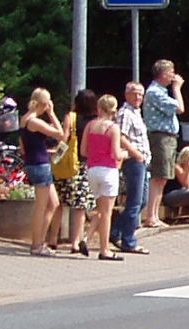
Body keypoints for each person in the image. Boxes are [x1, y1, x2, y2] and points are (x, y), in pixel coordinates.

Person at [82, 92, 128, 260]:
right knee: (107, 213)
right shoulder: (113, 128)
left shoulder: (90, 125)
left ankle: (85, 239)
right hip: (108, 170)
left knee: (100, 210)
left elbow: (83, 151)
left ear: (99, 108)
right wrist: (125, 154)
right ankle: (104, 250)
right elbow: (116, 153)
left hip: (92, 170)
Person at [20, 88, 65, 256]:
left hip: (34, 162)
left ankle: (40, 240)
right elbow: (60, 135)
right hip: (40, 165)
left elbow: (24, 146)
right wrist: (52, 114)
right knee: (41, 207)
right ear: (44, 104)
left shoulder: (24, 119)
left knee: (53, 203)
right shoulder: (35, 121)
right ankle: (36, 245)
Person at [140, 59, 184, 230]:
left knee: (163, 177)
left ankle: (154, 215)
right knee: (158, 176)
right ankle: (150, 216)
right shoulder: (154, 92)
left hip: (168, 137)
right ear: (163, 73)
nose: (173, 75)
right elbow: (180, 108)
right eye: (171, 72)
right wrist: (177, 88)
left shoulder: (162, 92)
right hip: (160, 137)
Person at [52, 90, 97, 253]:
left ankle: (52, 240)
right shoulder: (95, 122)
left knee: (59, 203)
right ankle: (75, 242)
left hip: (67, 164)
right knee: (80, 206)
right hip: (83, 166)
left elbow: (63, 140)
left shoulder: (70, 117)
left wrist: (55, 159)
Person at [113, 81, 149, 255]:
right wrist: (135, 153)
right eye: (134, 93)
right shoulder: (125, 113)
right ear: (126, 94)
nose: (138, 97)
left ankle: (115, 231)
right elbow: (119, 136)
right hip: (133, 161)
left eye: (141, 94)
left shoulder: (136, 113)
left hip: (142, 161)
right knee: (135, 201)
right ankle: (129, 241)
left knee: (141, 200)